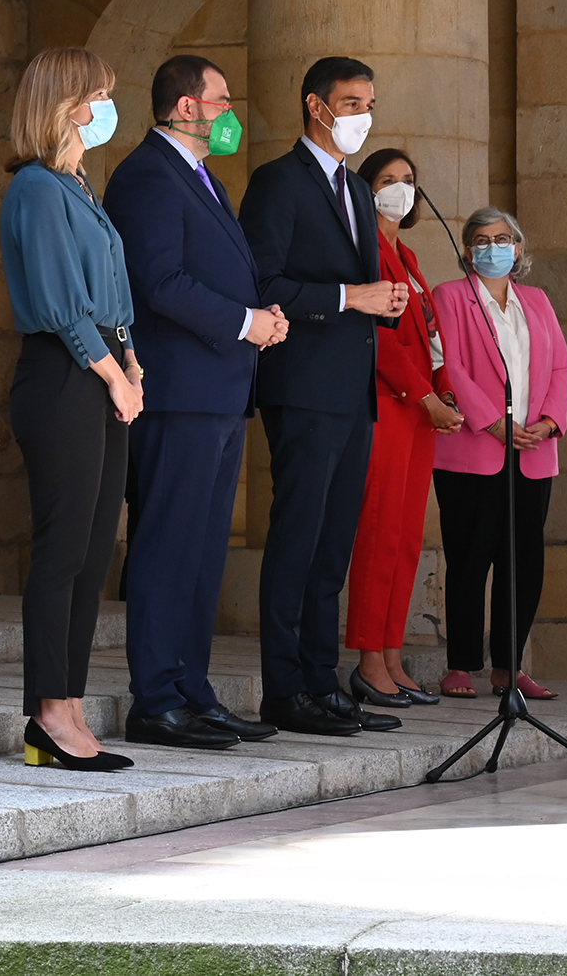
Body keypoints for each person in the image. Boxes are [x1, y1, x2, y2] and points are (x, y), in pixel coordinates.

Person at [105, 55, 288, 750]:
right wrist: (246, 323)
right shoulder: (149, 175)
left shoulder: (201, 177)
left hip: (217, 390)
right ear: (187, 106)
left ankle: (193, 689)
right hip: (181, 391)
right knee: (167, 543)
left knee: (205, 550)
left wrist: (258, 316)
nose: (229, 111)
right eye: (222, 99)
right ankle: (154, 696)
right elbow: (162, 282)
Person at [237, 56, 410, 737]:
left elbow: (363, 288)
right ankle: (284, 690)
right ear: (316, 106)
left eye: (369, 101)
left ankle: (321, 681)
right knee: (298, 539)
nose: (362, 115)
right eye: (350, 101)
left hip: (352, 390)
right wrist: (351, 297)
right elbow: (265, 281)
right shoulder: (279, 182)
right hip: (303, 386)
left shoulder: (358, 193)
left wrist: (385, 302)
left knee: (334, 544)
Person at [0, 46, 143, 772]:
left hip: (104, 367)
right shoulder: (34, 188)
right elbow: (60, 303)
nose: (107, 107)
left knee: (93, 553)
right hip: (65, 375)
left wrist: (132, 365)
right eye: (100, 94)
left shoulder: (80, 186)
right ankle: (47, 713)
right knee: (62, 549)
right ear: (66, 102)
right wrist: (113, 375)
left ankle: (73, 702)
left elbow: (111, 291)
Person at [430, 206, 567, 702]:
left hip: (534, 448)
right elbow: (451, 366)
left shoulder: (537, 300)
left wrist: (549, 423)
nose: (494, 247)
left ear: (518, 247)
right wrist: (492, 421)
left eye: (504, 238)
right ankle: (462, 664)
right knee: (470, 558)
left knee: (524, 560)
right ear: (469, 250)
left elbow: (560, 370)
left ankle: (509, 667)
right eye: (483, 239)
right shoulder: (450, 296)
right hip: (474, 447)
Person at [345, 149, 464, 709]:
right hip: (388, 408)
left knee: (408, 537)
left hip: (420, 414)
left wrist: (443, 390)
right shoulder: (364, 250)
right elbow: (380, 340)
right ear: (365, 191)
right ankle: (369, 659)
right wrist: (420, 393)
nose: (400, 189)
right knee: (379, 532)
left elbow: (430, 334)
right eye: (388, 181)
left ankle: (393, 653)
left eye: (409, 180)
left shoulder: (408, 254)